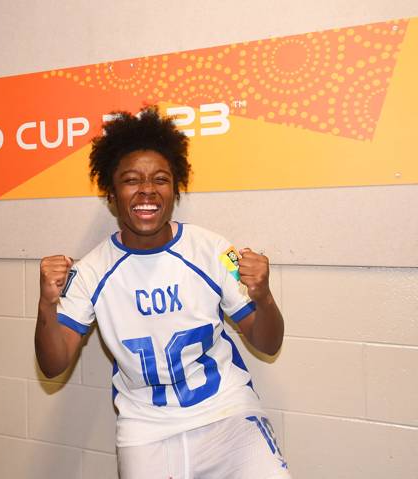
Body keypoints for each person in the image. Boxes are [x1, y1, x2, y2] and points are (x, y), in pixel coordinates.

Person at [34, 106, 290, 478]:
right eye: (131, 180)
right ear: (111, 192)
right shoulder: (90, 272)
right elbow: (53, 364)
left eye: (160, 178)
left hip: (227, 414)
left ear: (175, 187)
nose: (147, 190)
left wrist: (263, 296)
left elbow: (267, 343)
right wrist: (47, 304)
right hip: (147, 430)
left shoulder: (214, 249)